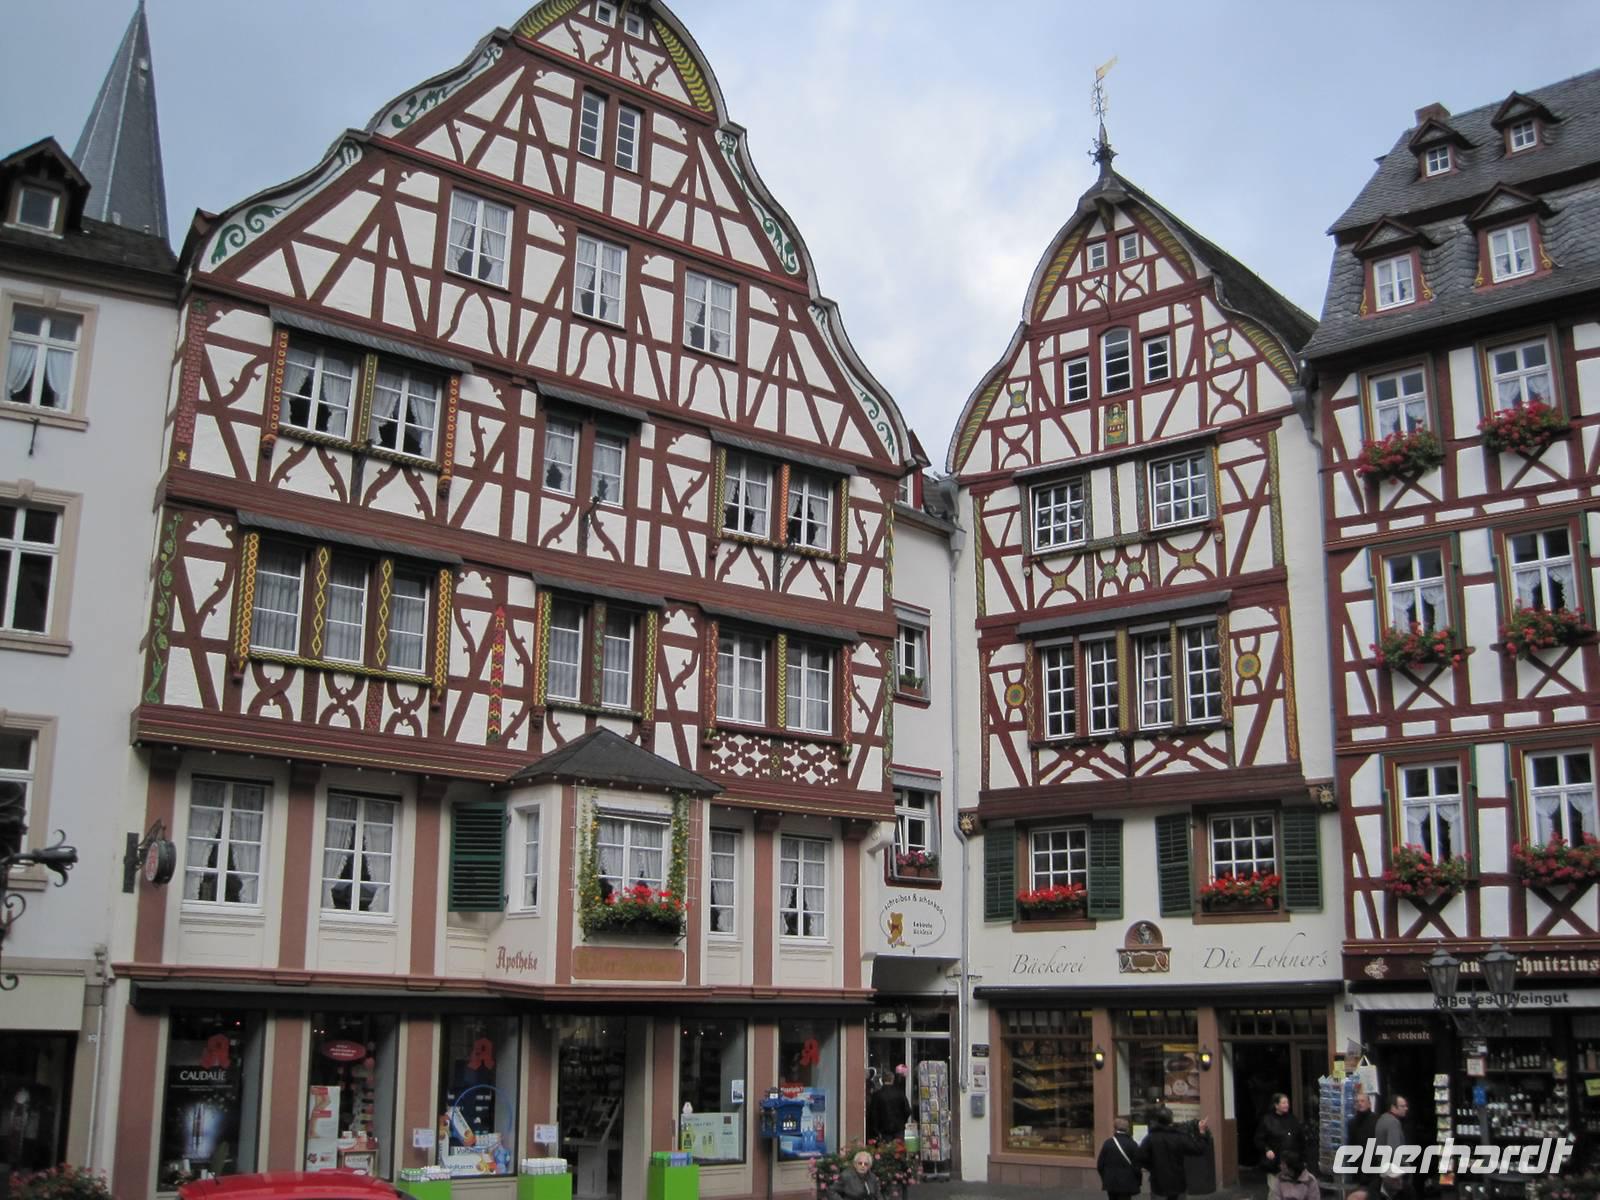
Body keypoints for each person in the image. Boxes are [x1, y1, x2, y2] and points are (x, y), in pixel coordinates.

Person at [1140, 1106, 1212, 1200]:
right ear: (1171, 1120)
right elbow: (1198, 1149)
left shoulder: (1150, 1138)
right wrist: (1202, 1132)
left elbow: (1140, 1157)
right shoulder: (1179, 1137)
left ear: (1157, 1120)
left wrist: (1152, 1167)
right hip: (1177, 1182)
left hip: (1158, 1183)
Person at [1256, 1093, 1306, 1198]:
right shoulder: (1267, 1120)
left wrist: (1301, 1157)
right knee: (1275, 1192)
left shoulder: (1293, 1119)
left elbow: (1301, 1139)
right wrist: (1267, 1150)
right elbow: (1259, 1139)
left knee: (1291, 1192)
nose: (1286, 1105)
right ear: (1276, 1105)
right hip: (1275, 1163)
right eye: (1283, 1103)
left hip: (1291, 1164)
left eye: (1287, 1102)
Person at [1097, 1116, 1144, 1200]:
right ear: (1127, 1129)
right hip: (1127, 1182)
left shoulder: (1108, 1143)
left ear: (1114, 1128)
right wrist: (1138, 1181)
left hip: (1111, 1182)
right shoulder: (1132, 1144)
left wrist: (1106, 1177)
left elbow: (1100, 1165)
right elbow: (1137, 1166)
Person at [1374, 1097, 1410, 1200]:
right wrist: (1406, 1167)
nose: (1406, 1108)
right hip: (1393, 1171)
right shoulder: (1393, 1122)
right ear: (1393, 1107)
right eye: (1403, 1106)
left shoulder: (1382, 1119)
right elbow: (1394, 1149)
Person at [868, 1065, 912, 1143]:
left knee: (886, 1152)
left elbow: (873, 1114)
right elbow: (907, 1110)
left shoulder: (877, 1095)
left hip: (883, 1129)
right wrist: (902, 1121)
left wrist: (876, 1130)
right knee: (899, 1151)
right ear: (893, 1079)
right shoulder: (899, 1093)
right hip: (898, 1128)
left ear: (882, 1080)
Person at [1345, 1092, 1379, 1193]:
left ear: (1369, 1104)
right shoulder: (1352, 1123)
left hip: (1375, 1170)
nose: (1360, 1103)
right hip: (1359, 1172)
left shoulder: (1377, 1120)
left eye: (1362, 1101)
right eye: (1357, 1101)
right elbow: (1351, 1145)